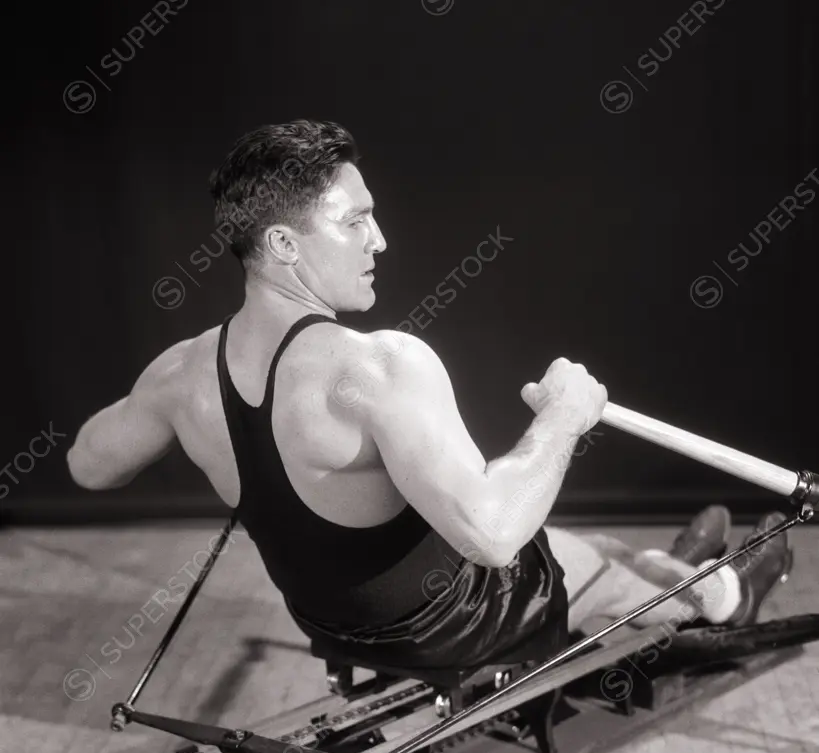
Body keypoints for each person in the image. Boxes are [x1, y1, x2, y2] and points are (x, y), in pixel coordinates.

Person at [66, 119, 792, 672]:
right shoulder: (379, 366)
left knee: (588, 545)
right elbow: (494, 534)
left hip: (331, 624)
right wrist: (565, 419)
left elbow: (88, 466)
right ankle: (722, 594)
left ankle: (671, 566)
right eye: (353, 221)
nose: (378, 239)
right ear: (285, 245)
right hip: (453, 621)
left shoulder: (180, 373)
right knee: (578, 561)